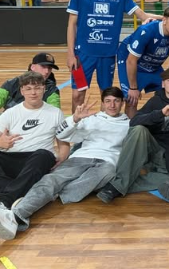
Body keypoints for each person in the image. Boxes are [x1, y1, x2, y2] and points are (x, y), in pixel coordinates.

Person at [0, 87, 129, 240]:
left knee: (107, 173)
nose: (112, 105)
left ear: (122, 103)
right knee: (51, 180)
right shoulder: (92, 119)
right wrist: (75, 119)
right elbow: (62, 134)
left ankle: (50, 194)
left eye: (116, 101)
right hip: (81, 157)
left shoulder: (129, 124)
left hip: (107, 162)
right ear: (102, 103)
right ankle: (16, 216)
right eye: (108, 101)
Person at [66, 0, 159, 112]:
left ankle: (105, 124)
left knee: (106, 95)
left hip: (107, 55)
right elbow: (71, 24)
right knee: (77, 94)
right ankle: (76, 124)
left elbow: (143, 16)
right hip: (82, 55)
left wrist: (167, 19)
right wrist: (70, 54)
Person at [96, 69, 169, 204]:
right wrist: (161, 113)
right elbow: (134, 121)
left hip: (168, 154)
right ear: (163, 84)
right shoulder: (155, 101)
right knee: (139, 130)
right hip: (150, 149)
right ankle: (117, 185)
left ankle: (115, 185)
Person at [0, 72, 68, 219]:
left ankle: (4, 201)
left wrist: (62, 158)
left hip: (37, 160)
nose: (33, 92)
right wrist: (1, 142)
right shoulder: (10, 113)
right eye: (28, 88)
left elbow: (63, 143)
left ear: (44, 89)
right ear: (22, 91)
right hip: (12, 157)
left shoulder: (56, 113)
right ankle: (20, 191)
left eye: (37, 88)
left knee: (43, 154)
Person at [117, 5, 169, 118]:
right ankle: (132, 127)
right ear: (164, 20)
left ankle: (160, 124)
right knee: (131, 99)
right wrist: (133, 88)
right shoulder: (146, 31)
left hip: (153, 65)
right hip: (131, 62)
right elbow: (131, 60)